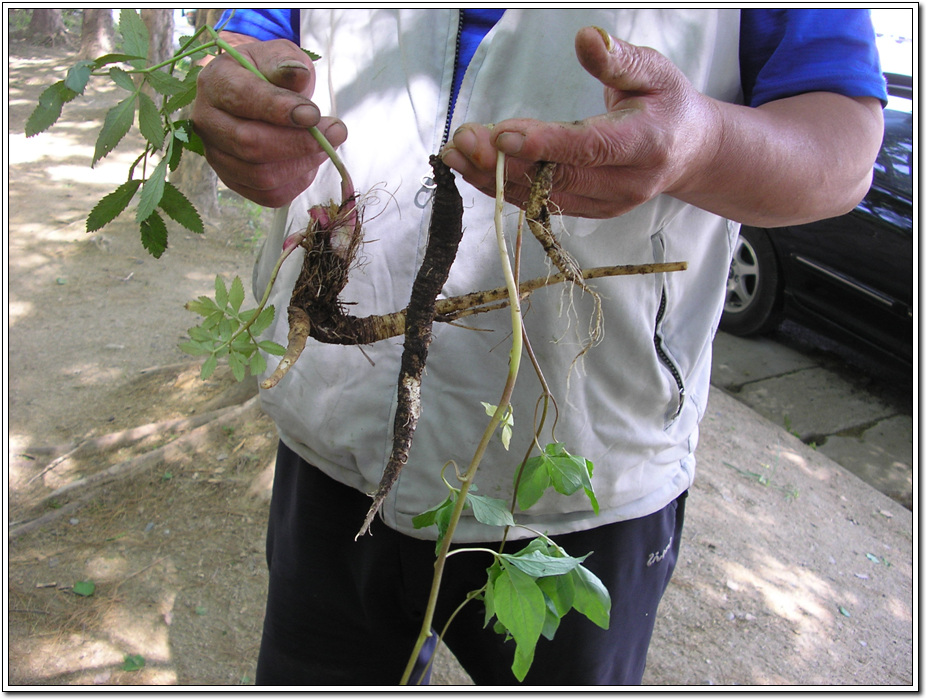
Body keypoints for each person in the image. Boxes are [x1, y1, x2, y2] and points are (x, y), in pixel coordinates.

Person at [192, 9, 886, 685]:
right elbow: (249, 35)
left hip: (583, 473)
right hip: (332, 437)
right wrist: (239, 102)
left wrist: (699, 146)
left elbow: (843, 152)